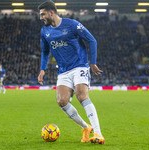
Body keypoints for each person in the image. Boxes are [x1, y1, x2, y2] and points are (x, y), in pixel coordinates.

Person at [37, 1, 104, 144]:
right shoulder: (45, 31)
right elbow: (45, 51)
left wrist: (92, 63)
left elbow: (92, 40)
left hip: (80, 65)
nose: (41, 17)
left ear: (51, 12)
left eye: (43, 14)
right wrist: (42, 69)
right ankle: (86, 128)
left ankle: (98, 133)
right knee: (62, 101)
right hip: (63, 71)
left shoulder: (72, 24)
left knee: (81, 95)